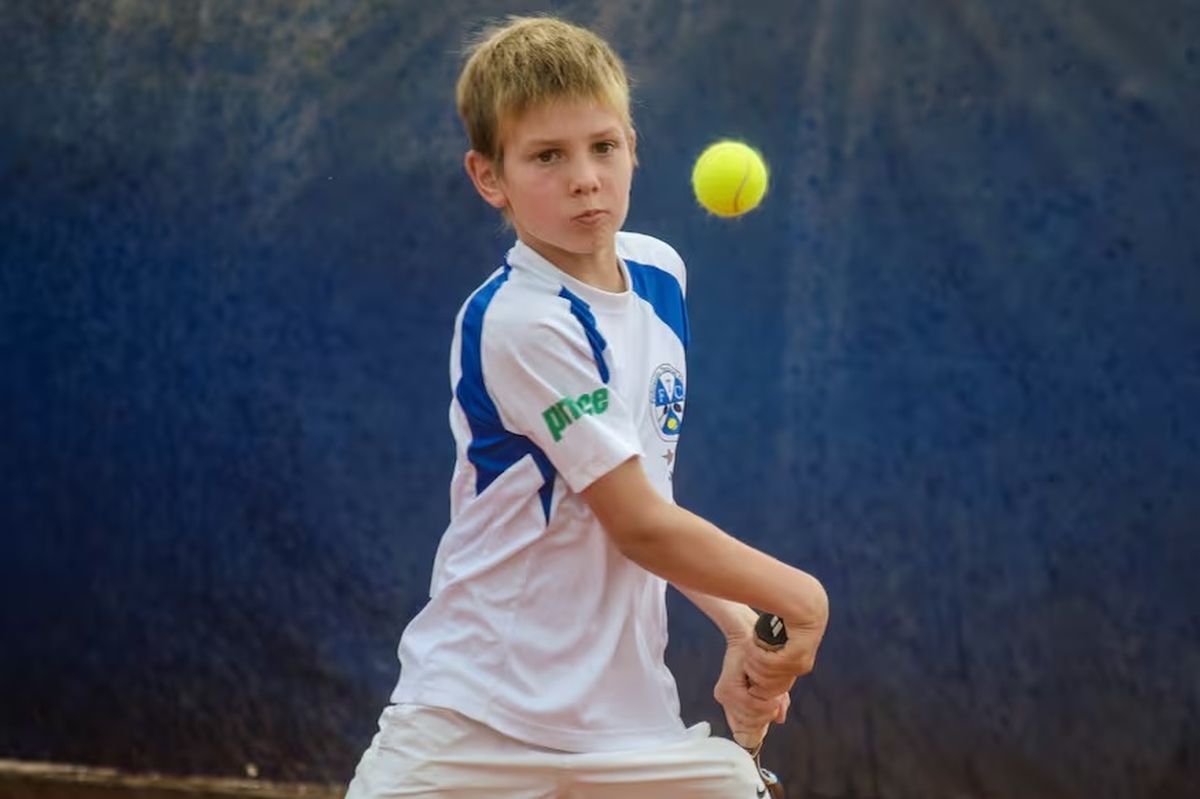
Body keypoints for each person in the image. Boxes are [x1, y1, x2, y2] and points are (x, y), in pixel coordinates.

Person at [345, 15, 829, 799]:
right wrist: (800, 599)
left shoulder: (660, 277)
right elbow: (635, 520)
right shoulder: (520, 321)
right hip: (476, 715)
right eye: (547, 156)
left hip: (627, 726)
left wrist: (740, 621)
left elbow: (644, 489)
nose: (585, 177)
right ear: (488, 177)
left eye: (603, 146)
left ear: (633, 145)